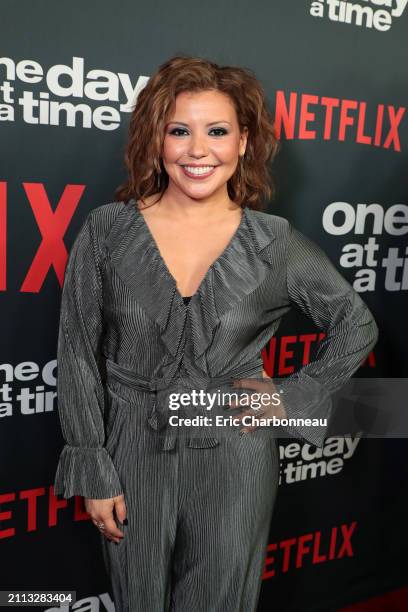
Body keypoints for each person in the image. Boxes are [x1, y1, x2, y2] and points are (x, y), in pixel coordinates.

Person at [53, 55, 379, 612]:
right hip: (132, 446)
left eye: (218, 131)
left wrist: (293, 396)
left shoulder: (275, 242)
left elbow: (356, 324)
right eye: (179, 130)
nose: (197, 150)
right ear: (157, 139)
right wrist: (92, 462)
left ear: (244, 142)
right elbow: (79, 351)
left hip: (234, 452)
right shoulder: (107, 231)